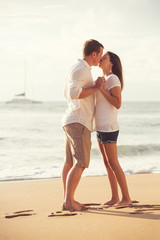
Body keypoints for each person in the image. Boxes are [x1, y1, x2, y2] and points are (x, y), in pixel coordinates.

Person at [62, 39, 104, 211]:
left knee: (69, 162)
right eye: (100, 54)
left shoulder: (77, 68)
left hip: (73, 120)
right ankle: (68, 201)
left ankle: (68, 199)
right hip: (78, 122)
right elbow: (73, 93)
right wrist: (96, 88)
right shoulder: (81, 69)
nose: (100, 58)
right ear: (93, 54)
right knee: (81, 162)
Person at [95, 51, 132, 206]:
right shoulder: (104, 79)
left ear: (111, 63)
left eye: (104, 58)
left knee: (113, 163)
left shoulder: (113, 78)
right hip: (100, 127)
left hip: (109, 127)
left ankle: (126, 198)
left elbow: (117, 103)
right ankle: (115, 197)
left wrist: (102, 89)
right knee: (107, 163)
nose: (101, 59)